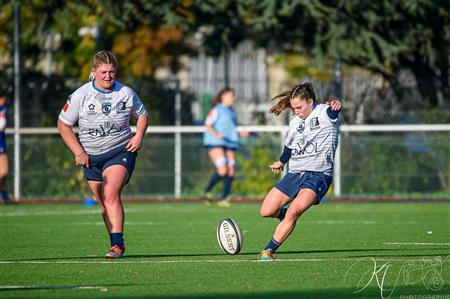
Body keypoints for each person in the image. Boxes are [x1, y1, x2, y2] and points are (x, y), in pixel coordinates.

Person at [58, 50, 149, 259]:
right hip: (90, 157)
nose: (108, 76)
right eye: (104, 72)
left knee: (110, 194)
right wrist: (79, 152)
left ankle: (116, 245)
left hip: (120, 150)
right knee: (102, 201)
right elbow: (63, 124)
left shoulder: (125, 93)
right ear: (94, 72)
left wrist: (139, 136)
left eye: (112, 72)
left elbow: (142, 115)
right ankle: (116, 242)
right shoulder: (81, 95)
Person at [257, 82, 342, 261]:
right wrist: (280, 162)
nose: (296, 111)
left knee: (294, 211)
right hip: (295, 174)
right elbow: (289, 147)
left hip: (319, 176)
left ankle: (268, 250)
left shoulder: (325, 112)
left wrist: (335, 107)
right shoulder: (295, 122)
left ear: (310, 101)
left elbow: (333, 112)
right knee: (266, 211)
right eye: (294, 108)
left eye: (299, 107)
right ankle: (283, 216)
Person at [203, 87, 247, 208]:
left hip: (230, 143)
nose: (234, 98)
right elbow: (207, 124)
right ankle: (207, 191)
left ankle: (224, 198)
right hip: (216, 142)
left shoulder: (232, 111)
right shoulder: (217, 109)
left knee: (231, 170)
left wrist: (240, 132)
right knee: (223, 170)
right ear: (224, 96)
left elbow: (232, 128)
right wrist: (217, 134)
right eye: (232, 95)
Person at [0, 93, 10, 204]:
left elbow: (4, 125)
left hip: (2, 143)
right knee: (3, 172)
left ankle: (4, 197)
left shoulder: (4, 109)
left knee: (4, 173)